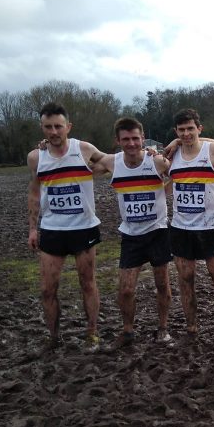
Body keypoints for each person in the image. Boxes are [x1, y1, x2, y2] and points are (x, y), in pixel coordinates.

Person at [27, 102, 105, 351]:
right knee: (47, 289)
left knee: (87, 282)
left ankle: (92, 332)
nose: (53, 132)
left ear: (68, 126)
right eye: (48, 127)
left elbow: (116, 162)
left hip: (84, 228)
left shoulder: (83, 149)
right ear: (42, 128)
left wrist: (150, 153)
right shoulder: (35, 157)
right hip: (52, 230)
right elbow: (34, 192)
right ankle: (53, 337)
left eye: (58, 126)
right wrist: (32, 228)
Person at [90, 117, 173, 349]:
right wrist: (46, 146)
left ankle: (163, 328)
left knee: (162, 284)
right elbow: (82, 164)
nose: (132, 143)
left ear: (142, 138)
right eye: (126, 139)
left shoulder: (156, 162)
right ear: (118, 141)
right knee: (125, 289)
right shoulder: (112, 162)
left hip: (157, 230)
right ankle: (127, 331)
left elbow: (179, 169)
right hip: (131, 234)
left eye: (136, 138)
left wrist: (164, 192)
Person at [167, 108, 214, 349]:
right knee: (185, 280)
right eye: (181, 130)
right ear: (176, 132)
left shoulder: (213, 151)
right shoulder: (171, 155)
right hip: (180, 227)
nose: (186, 134)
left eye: (190, 129)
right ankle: (191, 330)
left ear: (200, 128)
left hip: (209, 227)